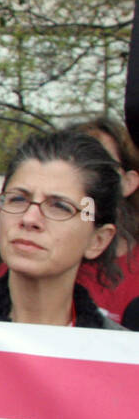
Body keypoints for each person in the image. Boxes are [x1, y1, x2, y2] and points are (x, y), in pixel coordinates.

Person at [0, 131, 126, 340]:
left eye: (60, 207)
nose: (29, 219)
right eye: (17, 199)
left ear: (98, 240)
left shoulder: (121, 355)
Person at [68, 118, 139, 328]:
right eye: (76, 167)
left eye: (101, 168)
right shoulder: (29, 260)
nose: (86, 180)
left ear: (129, 182)